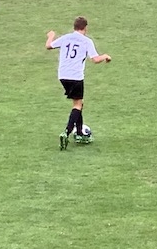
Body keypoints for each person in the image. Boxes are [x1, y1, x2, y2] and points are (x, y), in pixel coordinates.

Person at [46, 17, 111, 150]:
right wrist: (105, 56)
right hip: (75, 76)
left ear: (74, 27)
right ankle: (67, 132)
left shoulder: (66, 38)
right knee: (77, 105)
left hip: (62, 75)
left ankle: (80, 132)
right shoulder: (86, 41)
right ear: (85, 28)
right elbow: (95, 59)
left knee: (79, 103)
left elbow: (49, 46)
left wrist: (51, 36)